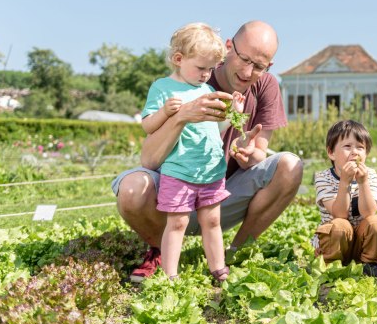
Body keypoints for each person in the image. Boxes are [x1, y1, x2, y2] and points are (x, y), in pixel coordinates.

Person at [112, 20, 304, 282]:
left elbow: (259, 153)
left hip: (219, 194)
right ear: (228, 49)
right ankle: (159, 250)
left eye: (258, 66)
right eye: (244, 59)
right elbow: (149, 159)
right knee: (132, 188)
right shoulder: (192, 73)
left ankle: (234, 254)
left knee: (291, 165)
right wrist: (181, 117)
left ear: (268, 66)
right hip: (174, 190)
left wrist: (250, 153)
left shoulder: (265, 86)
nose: (248, 72)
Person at [140, 22, 245, 283]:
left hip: (210, 168)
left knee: (212, 222)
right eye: (201, 68)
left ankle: (218, 268)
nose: (206, 75)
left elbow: (214, 128)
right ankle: (170, 274)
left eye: (210, 69)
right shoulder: (163, 88)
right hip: (179, 170)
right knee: (177, 224)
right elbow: (147, 125)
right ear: (178, 59)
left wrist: (234, 116)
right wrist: (165, 112)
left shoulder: (208, 90)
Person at [312, 120, 377, 281]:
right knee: (340, 225)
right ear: (331, 153)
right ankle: (332, 265)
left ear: (366, 154)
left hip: (361, 244)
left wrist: (362, 182)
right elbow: (339, 213)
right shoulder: (323, 178)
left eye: (360, 147)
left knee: (376, 222)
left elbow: (369, 212)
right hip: (336, 243)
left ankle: (371, 263)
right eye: (347, 146)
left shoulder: (370, 175)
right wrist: (344, 183)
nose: (354, 152)